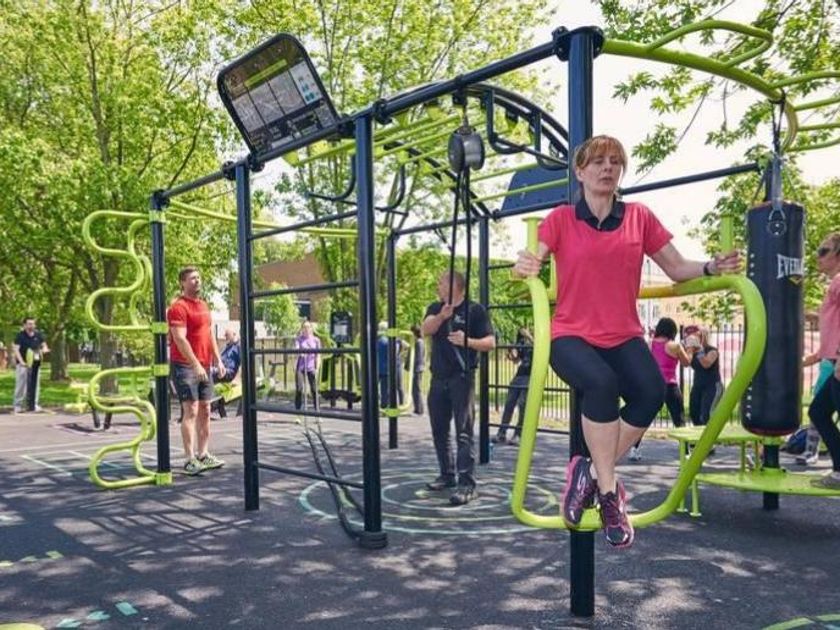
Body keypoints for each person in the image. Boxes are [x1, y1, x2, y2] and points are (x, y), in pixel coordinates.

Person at [513, 134, 741, 548]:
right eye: (598, 161)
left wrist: (711, 266)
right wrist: (524, 264)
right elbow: (531, 261)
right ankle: (608, 494)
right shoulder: (561, 219)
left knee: (652, 391)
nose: (607, 168)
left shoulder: (639, 217)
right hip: (570, 333)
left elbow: (676, 268)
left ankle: (587, 472)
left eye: (615, 161)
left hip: (622, 333)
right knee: (601, 383)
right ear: (580, 171)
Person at [421, 270, 496, 505]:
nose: (438, 286)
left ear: (455, 285)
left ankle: (467, 484)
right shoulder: (436, 307)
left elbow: (490, 343)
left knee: (464, 432)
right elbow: (425, 329)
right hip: (438, 378)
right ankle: (447, 474)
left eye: (441, 282)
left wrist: (467, 341)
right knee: (439, 430)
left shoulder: (475, 310)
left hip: (461, 378)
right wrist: (441, 317)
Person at [168, 267, 226, 475]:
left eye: (199, 278)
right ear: (182, 283)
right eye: (193, 278)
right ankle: (189, 459)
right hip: (185, 365)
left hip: (205, 364)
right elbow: (179, 338)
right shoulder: (178, 307)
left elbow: (209, 334)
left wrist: (218, 360)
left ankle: (203, 454)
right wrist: (195, 364)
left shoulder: (203, 305)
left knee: (206, 409)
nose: (197, 281)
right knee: (191, 410)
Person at [628, 317, 692, 461]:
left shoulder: (650, 344)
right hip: (670, 385)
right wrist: (690, 349)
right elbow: (687, 362)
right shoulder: (674, 346)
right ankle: (686, 452)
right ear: (672, 331)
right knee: (679, 419)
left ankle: (634, 448)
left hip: (653, 385)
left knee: (645, 419)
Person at [806, 232, 840, 488]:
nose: (818, 256)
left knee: (819, 412)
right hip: (834, 362)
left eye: (823, 251)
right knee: (818, 412)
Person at [493, 326, 534, 446]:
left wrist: (529, 336)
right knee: (509, 403)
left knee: (523, 405)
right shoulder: (524, 344)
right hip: (519, 375)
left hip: (530, 377)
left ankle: (518, 434)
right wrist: (512, 354)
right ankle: (502, 433)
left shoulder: (538, 341)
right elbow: (516, 360)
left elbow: (540, 349)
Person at [686, 327, 722, 427]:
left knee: (706, 414)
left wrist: (699, 350)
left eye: (698, 336)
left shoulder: (712, 351)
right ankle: (698, 434)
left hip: (712, 386)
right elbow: (686, 361)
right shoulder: (692, 351)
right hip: (698, 385)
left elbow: (706, 364)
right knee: (694, 413)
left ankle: (710, 433)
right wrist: (688, 349)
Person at [12, 317, 50, 413]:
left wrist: (44, 349)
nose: (31, 326)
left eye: (33, 324)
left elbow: (44, 345)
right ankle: (18, 405)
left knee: (35, 385)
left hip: (35, 364)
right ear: (24, 325)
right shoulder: (20, 336)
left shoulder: (38, 335)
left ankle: (34, 404)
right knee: (21, 385)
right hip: (23, 365)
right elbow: (16, 350)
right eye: (29, 324)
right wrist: (21, 362)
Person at [376, 321, 404, 407]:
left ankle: (379, 404)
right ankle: (385, 405)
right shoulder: (388, 342)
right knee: (386, 389)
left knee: (378, 388)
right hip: (386, 369)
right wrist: (398, 342)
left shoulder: (377, 341)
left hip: (378, 368)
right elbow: (394, 353)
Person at [294, 320, 321, 410]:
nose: (306, 329)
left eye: (308, 327)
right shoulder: (299, 339)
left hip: (311, 367)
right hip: (301, 367)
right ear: (302, 329)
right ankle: (298, 410)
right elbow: (296, 349)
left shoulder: (316, 340)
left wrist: (317, 368)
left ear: (311, 328)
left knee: (314, 389)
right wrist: (300, 352)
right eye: (304, 327)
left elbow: (318, 355)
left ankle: (317, 410)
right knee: (299, 388)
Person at [411, 325, 426, 416]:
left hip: (418, 368)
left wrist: (414, 368)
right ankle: (418, 408)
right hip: (419, 367)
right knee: (415, 389)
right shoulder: (420, 341)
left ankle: (419, 410)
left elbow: (419, 357)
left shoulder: (419, 342)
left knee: (416, 389)